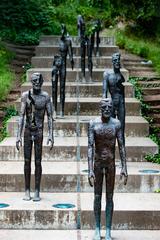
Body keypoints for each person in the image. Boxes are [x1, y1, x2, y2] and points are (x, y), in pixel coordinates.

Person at [88, 98, 128, 240]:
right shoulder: (93, 124)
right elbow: (90, 147)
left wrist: (124, 167)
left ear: (112, 108)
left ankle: (109, 230)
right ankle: (98, 228)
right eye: (104, 107)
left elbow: (121, 145)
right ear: (100, 108)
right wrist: (90, 169)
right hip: (98, 164)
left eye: (109, 107)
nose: (106, 109)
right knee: (97, 197)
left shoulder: (116, 124)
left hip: (110, 164)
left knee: (109, 197)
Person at [16, 72, 54, 201]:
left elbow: (50, 116)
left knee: (38, 162)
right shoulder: (25, 95)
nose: (36, 83)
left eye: (38, 80)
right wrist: (18, 135)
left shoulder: (45, 97)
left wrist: (51, 134)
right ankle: (27, 190)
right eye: (34, 81)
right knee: (27, 161)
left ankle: (37, 190)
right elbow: (21, 116)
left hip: (38, 131)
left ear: (42, 82)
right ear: (31, 82)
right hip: (28, 131)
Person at [102, 53, 125, 144]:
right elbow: (104, 93)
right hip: (111, 102)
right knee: (110, 129)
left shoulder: (120, 76)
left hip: (121, 103)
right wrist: (105, 106)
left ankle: (122, 155)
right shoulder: (107, 74)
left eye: (118, 60)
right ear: (112, 62)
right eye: (115, 60)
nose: (117, 62)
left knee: (121, 128)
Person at [58, 24, 74, 117]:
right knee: (56, 88)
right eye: (61, 29)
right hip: (57, 65)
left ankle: (62, 111)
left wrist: (72, 61)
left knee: (62, 88)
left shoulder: (68, 41)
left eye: (63, 29)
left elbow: (71, 56)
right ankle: (56, 109)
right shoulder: (59, 40)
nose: (62, 31)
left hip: (63, 64)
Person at [77, 15, 93, 81]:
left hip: (88, 38)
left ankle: (90, 76)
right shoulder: (79, 20)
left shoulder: (88, 21)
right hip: (82, 38)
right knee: (82, 58)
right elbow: (79, 30)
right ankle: (83, 76)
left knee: (89, 58)